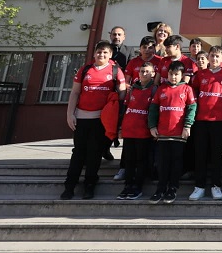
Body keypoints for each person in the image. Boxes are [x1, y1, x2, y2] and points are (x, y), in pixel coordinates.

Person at [60, 41, 126, 200]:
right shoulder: (85, 69)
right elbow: (75, 93)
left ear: (110, 55)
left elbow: (122, 94)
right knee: (78, 153)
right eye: (99, 52)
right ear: (94, 53)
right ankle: (69, 186)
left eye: (105, 52)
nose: (101, 55)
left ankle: (89, 185)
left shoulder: (116, 70)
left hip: (101, 120)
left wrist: (114, 114)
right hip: (82, 118)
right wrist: (70, 114)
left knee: (94, 153)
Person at [147, 60, 196, 204]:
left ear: (182, 75)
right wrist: (152, 126)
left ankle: (173, 188)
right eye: (171, 74)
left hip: (179, 134)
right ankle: (160, 188)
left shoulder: (187, 89)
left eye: (176, 74)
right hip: (163, 133)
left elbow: (192, 108)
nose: (173, 77)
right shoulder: (162, 89)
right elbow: (153, 108)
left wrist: (187, 125)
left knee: (176, 162)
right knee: (162, 162)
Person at [188, 46, 222, 201]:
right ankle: (199, 186)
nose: (214, 59)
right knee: (200, 153)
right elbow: (193, 92)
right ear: (208, 58)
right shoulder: (200, 74)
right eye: (212, 56)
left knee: (216, 154)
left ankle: (216, 185)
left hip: (218, 120)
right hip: (201, 120)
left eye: (217, 56)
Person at [117, 62, 156, 200]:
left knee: (141, 160)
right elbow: (126, 108)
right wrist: (121, 128)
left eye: (147, 72)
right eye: (142, 71)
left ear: (153, 74)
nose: (144, 74)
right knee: (129, 160)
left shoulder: (154, 90)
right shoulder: (133, 88)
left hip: (143, 132)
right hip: (129, 130)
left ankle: (137, 187)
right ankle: (127, 185)